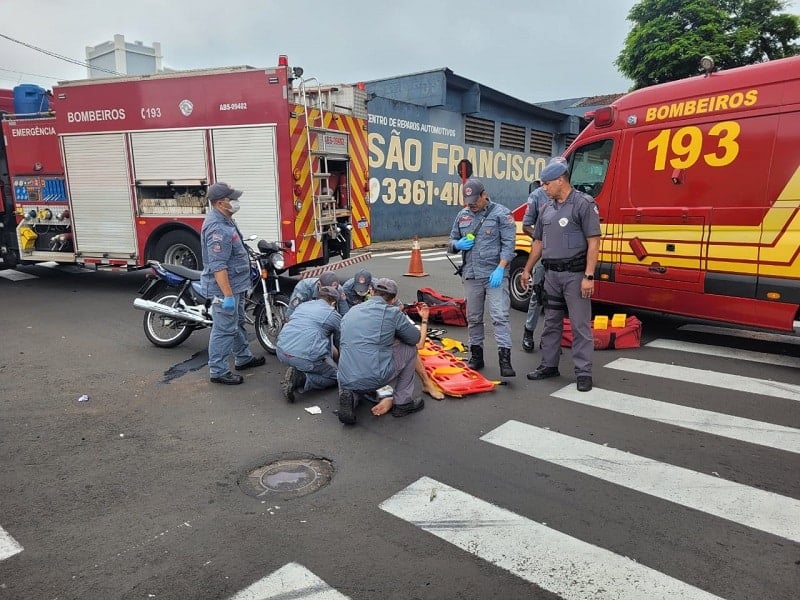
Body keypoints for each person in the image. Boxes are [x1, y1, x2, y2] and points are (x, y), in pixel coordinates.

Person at [520, 158, 601, 392]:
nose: (543, 188)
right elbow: (538, 243)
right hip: (551, 276)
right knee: (551, 323)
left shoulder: (583, 204)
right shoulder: (546, 208)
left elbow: (593, 242)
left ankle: (583, 372)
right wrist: (527, 269)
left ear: (560, 180)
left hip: (575, 276)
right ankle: (549, 365)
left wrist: (589, 276)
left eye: (546, 184)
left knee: (579, 326)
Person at [447, 177, 516, 377]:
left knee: (499, 316)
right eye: (469, 203)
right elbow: (450, 242)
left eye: (476, 201)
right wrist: (457, 245)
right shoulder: (462, 215)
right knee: (474, 317)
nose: (473, 206)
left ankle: (505, 360)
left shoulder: (502, 214)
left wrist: (501, 268)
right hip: (471, 275)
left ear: (484, 195)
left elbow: (509, 245)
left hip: (494, 274)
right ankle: (476, 355)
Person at [199, 182, 266, 385]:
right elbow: (218, 266)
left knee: (236, 323)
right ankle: (218, 371)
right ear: (220, 203)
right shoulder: (217, 228)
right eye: (232, 199)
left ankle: (243, 358)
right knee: (224, 329)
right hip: (224, 289)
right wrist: (227, 295)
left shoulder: (227, 220)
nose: (236, 202)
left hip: (236, 285)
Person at [337, 278, 429, 424]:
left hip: (344, 376)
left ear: (372, 292)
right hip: (374, 375)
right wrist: (424, 320)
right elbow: (415, 339)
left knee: (361, 361)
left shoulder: (352, 311)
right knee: (409, 350)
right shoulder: (392, 313)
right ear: (394, 300)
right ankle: (402, 403)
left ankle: (351, 397)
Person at [276, 285, 342, 402]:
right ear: (333, 303)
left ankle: (298, 370)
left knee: (315, 345)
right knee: (337, 377)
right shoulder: (332, 314)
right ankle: (302, 379)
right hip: (304, 357)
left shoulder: (303, 305)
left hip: (281, 351)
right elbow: (342, 340)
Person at [521, 181, 548, 353]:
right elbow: (526, 225)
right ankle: (528, 332)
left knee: (557, 299)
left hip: (564, 255)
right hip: (543, 251)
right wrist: (543, 237)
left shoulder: (572, 195)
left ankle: (551, 338)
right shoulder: (537, 195)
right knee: (538, 293)